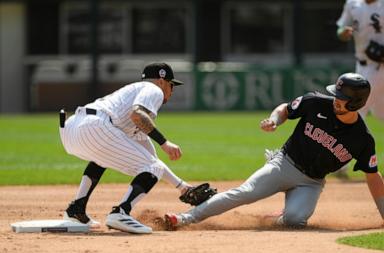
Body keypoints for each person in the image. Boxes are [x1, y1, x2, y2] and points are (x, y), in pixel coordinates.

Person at [165, 73, 384, 229]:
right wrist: (274, 120)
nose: (336, 100)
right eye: (336, 94)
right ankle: (185, 218)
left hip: (311, 182)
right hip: (284, 164)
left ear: (356, 103)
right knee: (245, 192)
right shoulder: (316, 102)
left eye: (343, 98)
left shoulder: (362, 139)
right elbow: (285, 109)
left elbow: (373, 176)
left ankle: (277, 218)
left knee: (295, 221)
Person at [59, 62, 199, 234]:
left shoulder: (129, 95)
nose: (171, 90)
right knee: (149, 167)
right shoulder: (153, 89)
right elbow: (137, 115)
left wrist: (182, 187)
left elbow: (153, 161)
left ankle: (76, 210)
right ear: (162, 81)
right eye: (172, 85)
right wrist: (164, 142)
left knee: (107, 159)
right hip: (95, 126)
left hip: (72, 128)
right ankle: (121, 212)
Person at [336, 0, 384, 120]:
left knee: (356, 109)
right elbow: (340, 29)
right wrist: (343, 32)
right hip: (361, 65)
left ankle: (348, 137)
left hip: (379, 65)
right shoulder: (352, 3)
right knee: (380, 112)